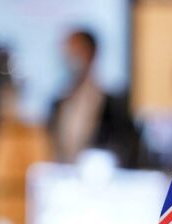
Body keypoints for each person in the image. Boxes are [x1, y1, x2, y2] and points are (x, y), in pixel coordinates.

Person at [48, 30, 139, 167]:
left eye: (77, 51)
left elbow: (126, 149)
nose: (71, 57)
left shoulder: (112, 105)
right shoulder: (58, 103)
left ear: (92, 53)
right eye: (68, 52)